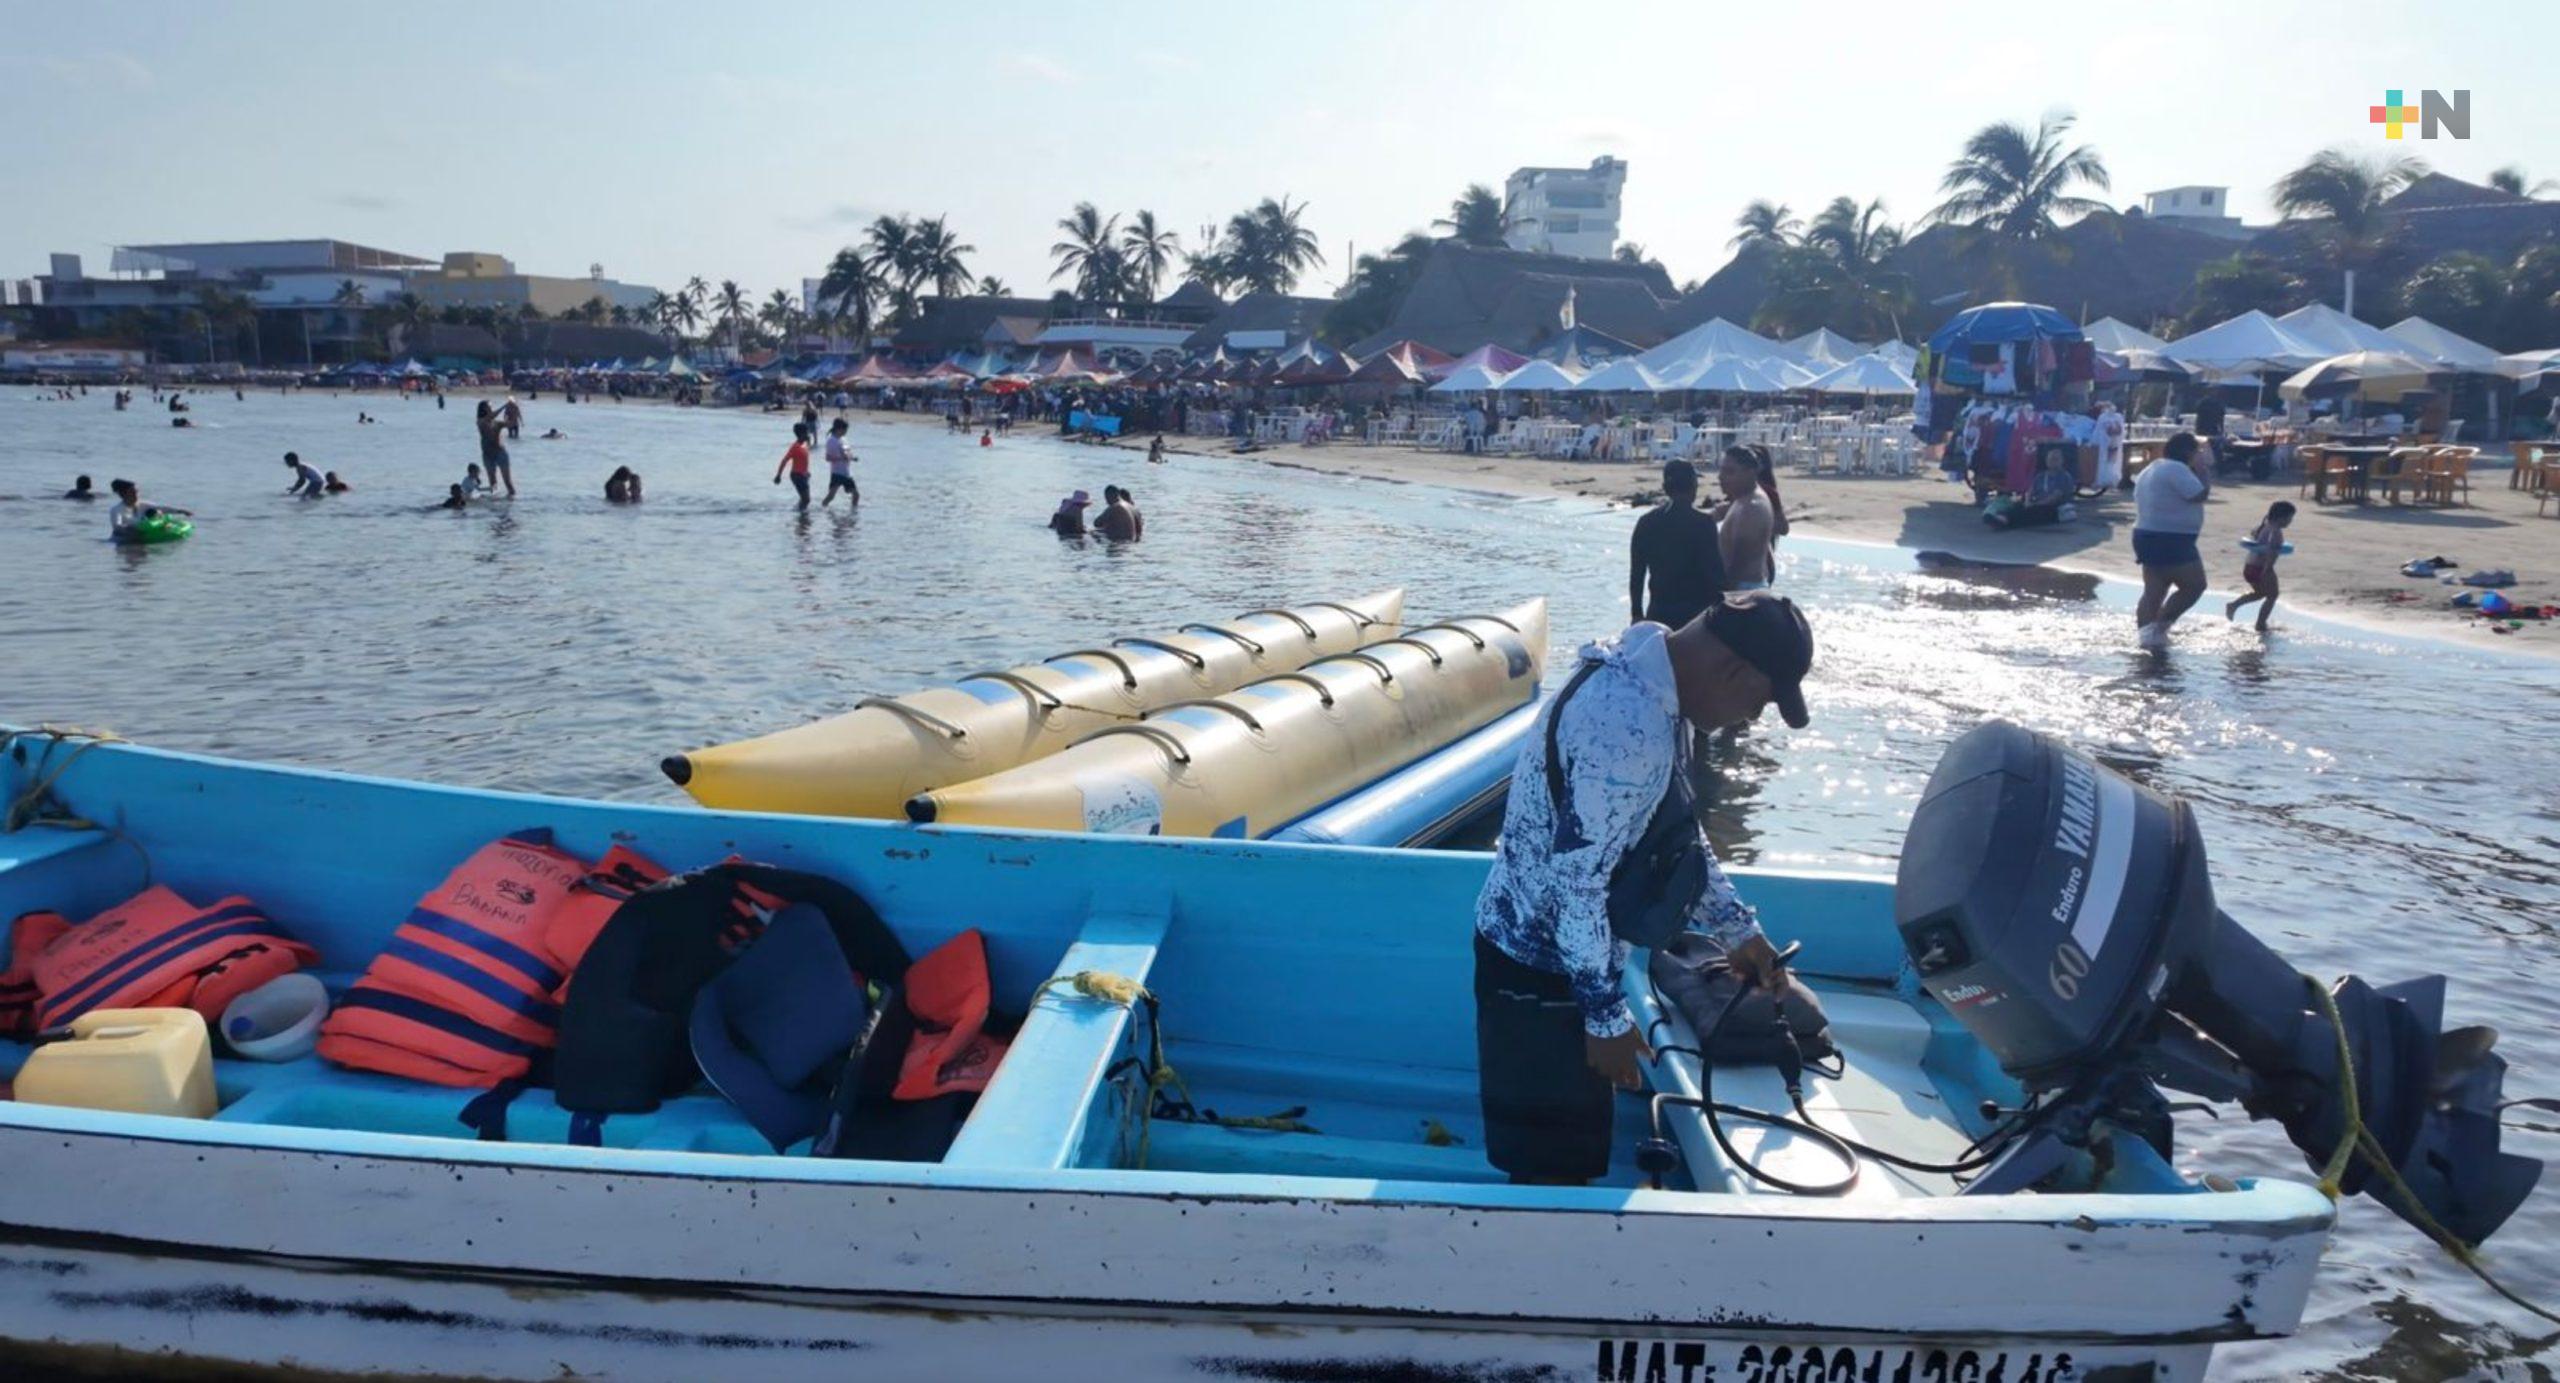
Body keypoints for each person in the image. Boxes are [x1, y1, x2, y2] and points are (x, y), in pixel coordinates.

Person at [1473, 593, 1812, 1184]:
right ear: (1732, 670)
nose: (1752, 719)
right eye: (1759, 700)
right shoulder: (1625, 730)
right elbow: (1575, 886)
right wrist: (1605, 1019)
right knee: (1551, 1175)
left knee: (1573, 1155)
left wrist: (1738, 930)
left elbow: (1677, 832)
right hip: (1537, 973)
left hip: (1575, 967)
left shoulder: (1654, 676)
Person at [2132, 431, 2213, 650]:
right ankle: (2160, 627)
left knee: (2154, 589)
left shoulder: (2153, 467)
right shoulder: (2177, 469)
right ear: (2188, 452)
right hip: (2171, 538)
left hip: (2145, 534)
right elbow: (2199, 494)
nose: (2201, 454)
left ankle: (2146, 638)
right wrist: (2204, 470)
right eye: (2198, 451)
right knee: (2195, 585)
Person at [1628, 459, 1729, 629]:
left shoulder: (1646, 522)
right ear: (1693, 486)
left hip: (1659, 612)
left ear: (1665, 487)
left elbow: (1637, 574)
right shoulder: (1703, 523)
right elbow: (1715, 575)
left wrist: (1637, 614)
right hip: (1697, 615)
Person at [2227, 501, 2297, 633]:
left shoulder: (2264, 526)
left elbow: (2258, 544)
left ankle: (2233, 605)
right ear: (2281, 517)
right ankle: (2260, 624)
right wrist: (2268, 569)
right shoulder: (2276, 532)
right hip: (2262, 568)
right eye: (2290, 518)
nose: (2290, 521)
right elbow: (2272, 552)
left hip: (2249, 567)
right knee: (2273, 595)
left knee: (2260, 593)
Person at [1713, 447, 1777, 590]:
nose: (1721, 477)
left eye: (1730, 472)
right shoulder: (1744, 500)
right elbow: (1767, 551)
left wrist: (1722, 599)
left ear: (1750, 473)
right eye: (1721, 470)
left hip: (1743, 593)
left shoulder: (1751, 509)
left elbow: (1738, 565)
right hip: (1751, 588)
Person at [1986, 449, 2078, 530]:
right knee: (2018, 506)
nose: (2052, 461)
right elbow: (2030, 491)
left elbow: (2055, 497)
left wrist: (2036, 504)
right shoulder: (2040, 476)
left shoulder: (2064, 476)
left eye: (2055, 459)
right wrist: (2028, 501)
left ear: (2061, 461)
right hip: (2036, 503)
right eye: (2049, 459)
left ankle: (2005, 521)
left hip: (2054, 508)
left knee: (2032, 513)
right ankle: (2001, 518)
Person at [106, 478, 189, 543]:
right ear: (123, 494)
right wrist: (131, 529)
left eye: (136, 492)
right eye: (132, 492)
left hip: (142, 539)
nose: (136, 495)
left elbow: (161, 508)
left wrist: (179, 511)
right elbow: (117, 527)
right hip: (122, 542)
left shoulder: (142, 505)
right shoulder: (116, 510)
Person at [475, 402, 515, 497]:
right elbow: (491, 416)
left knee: (508, 482)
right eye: (490, 406)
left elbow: (511, 424)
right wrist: (505, 405)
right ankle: (494, 506)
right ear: (484, 408)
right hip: (488, 455)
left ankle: (512, 501)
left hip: (500, 453)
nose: (491, 408)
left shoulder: (497, 423)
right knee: (493, 483)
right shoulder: (480, 421)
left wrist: (513, 411)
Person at [773, 422, 814, 510]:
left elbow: (804, 460)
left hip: (804, 475)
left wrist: (807, 472)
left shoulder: (804, 445)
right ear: (801, 434)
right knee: (806, 499)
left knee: (804, 499)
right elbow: (784, 460)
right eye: (807, 432)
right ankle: (801, 517)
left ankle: (799, 512)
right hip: (797, 475)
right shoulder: (795, 447)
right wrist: (778, 475)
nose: (808, 434)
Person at [821, 418, 859, 507]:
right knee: (831, 496)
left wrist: (852, 458)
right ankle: (823, 508)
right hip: (837, 473)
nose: (846, 432)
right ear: (839, 429)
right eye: (845, 430)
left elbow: (846, 452)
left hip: (846, 472)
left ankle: (853, 514)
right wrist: (842, 458)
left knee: (856, 495)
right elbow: (828, 458)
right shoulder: (831, 441)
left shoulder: (843, 439)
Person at [2093, 402, 2127, 491]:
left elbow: (2121, 430)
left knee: (2113, 461)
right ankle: (2103, 480)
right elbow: (2098, 429)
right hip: (2106, 443)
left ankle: (2113, 480)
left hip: (2114, 442)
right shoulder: (2103, 417)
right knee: (2105, 461)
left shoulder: (2118, 417)